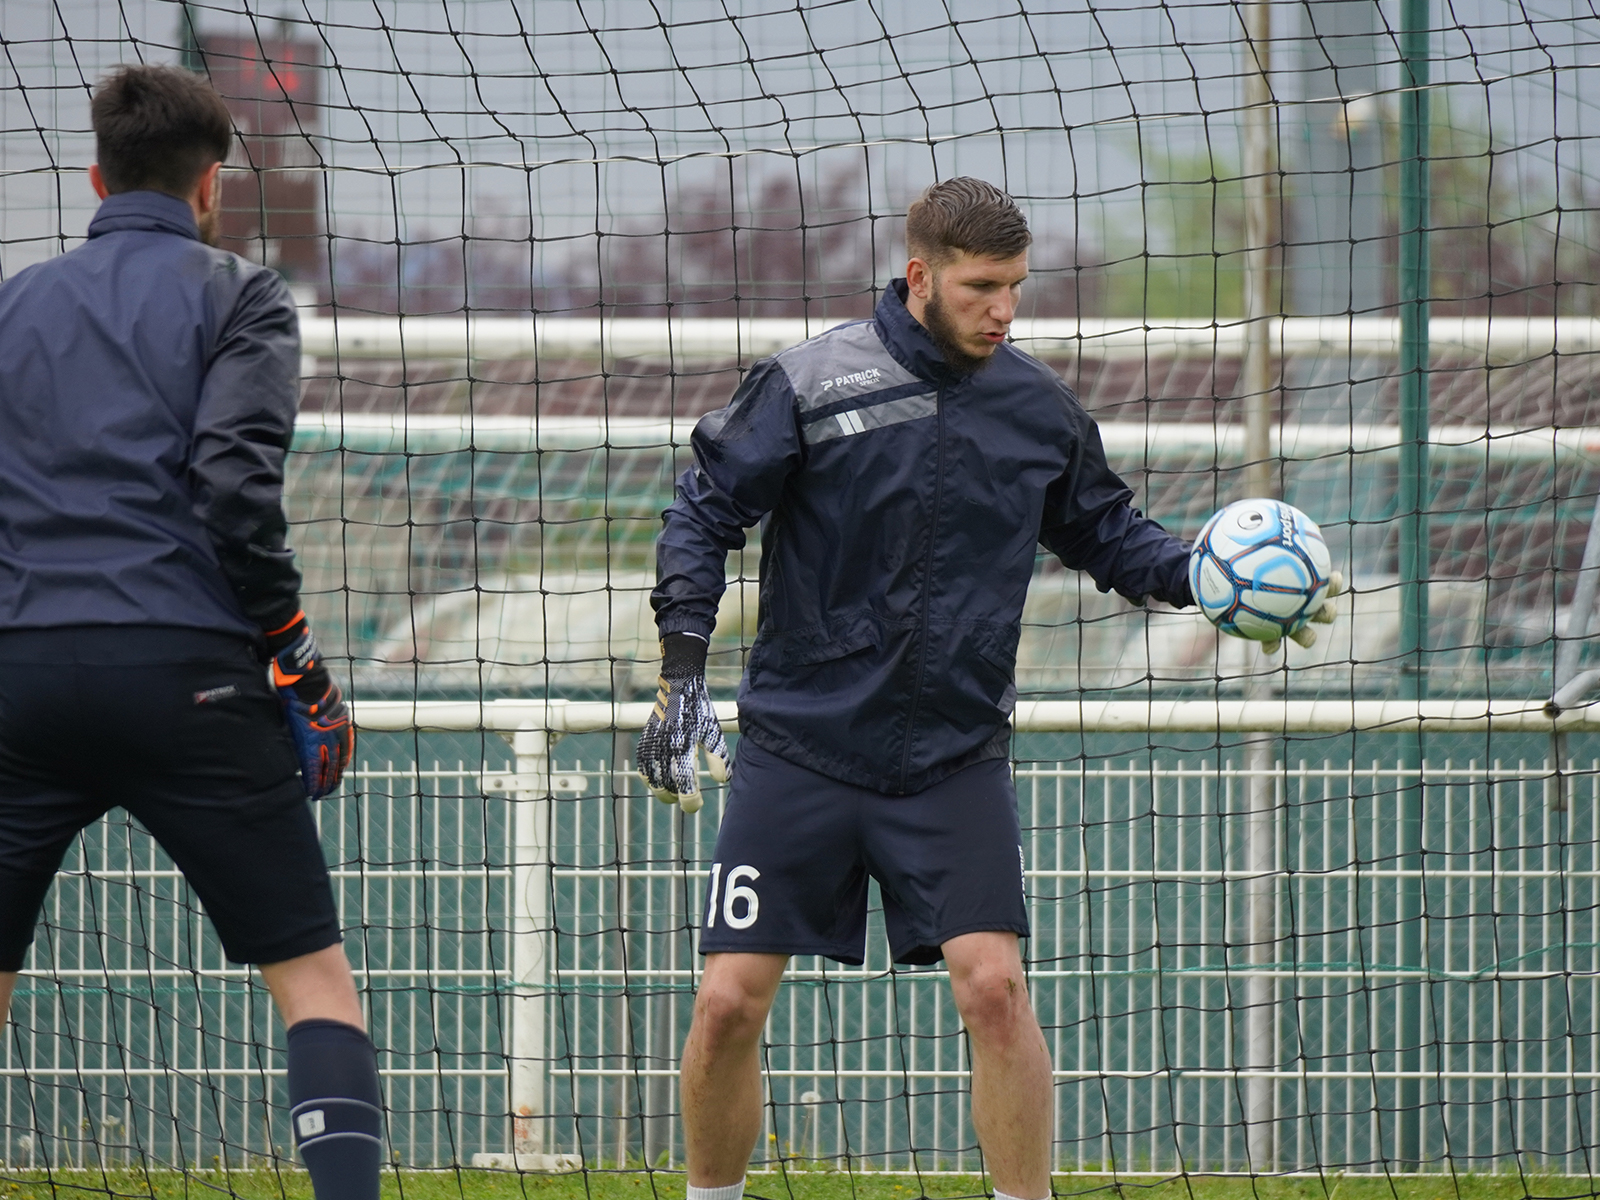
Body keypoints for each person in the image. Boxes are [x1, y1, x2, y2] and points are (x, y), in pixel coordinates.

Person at [637, 177, 1336, 1200]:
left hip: (950, 758)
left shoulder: (1036, 408)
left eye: (1014, 286)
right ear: (920, 276)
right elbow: (701, 513)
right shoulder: (807, 382)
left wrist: (1203, 576)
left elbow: (1105, 533)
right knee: (728, 1005)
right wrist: (683, 667)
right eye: (980, 287)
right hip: (797, 747)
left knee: (996, 991)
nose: (1003, 309)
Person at [0, 65, 377, 1199]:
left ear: (92, 176)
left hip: (21, 677)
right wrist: (297, 658)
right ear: (212, 185)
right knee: (314, 986)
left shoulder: (11, 305)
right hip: (192, 678)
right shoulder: (245, 296)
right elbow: (233, 490)